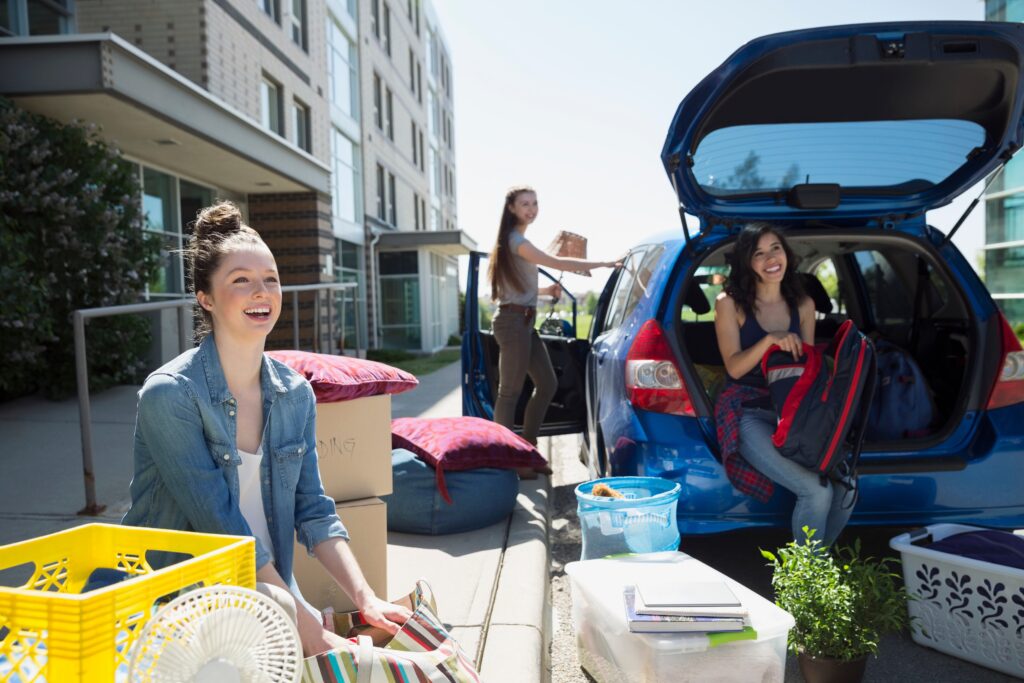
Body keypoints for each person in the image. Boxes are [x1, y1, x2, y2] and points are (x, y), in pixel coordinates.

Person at [122, 201, 410, 656]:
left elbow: (314, 509)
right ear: (206, 298)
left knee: (394, 636)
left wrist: (366, 597)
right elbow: (225, 531)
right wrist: (318, 637)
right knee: (357, 658)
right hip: (173, 604)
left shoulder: (294, 392)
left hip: (267, 594)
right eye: (241, 281)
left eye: (271, 279)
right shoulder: (171, 395)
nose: (262, 292)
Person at [713, 222, 853, 546]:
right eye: (758, 253)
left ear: (786, 253)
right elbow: (733, 367)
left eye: (775, 248)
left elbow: (808, 370)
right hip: (747, 410)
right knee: (816, 491)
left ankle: (816, 569)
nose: (770, 258)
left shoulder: (803, 305)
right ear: (748, 262)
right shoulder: (728, 303)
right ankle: (808, 587)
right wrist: (770, 341)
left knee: (846, 486)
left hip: (793, 410)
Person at [487, 186, 619, 461]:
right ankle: (505, 461)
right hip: (512, 322)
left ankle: (528, 450)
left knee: (547, 384)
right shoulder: (516, 240)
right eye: (525, 204)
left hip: (523, 321)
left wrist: (546, 292)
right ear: (511, 208)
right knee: (509, 393)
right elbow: (556, 261)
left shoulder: (516, 240)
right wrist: (605, 263)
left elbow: (518, 288)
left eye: (535, 203)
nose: (531, 209)